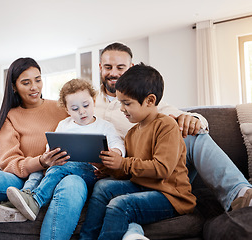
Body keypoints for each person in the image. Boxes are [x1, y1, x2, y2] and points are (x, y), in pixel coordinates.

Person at [91, 42, 252, 236]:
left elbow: (193, 122)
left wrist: (191, 119)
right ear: (100, 67)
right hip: (123, 167)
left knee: (192, 135)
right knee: (116, 199)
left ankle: (239, 193)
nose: (114, 73)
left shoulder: (151, 109)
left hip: (156, 165)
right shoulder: (86, 101)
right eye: (108, 67)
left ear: (130, 69)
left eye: (120, 67)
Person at [0, 57, 88, 240]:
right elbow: (9, 162)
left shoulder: (64, 108)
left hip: (61, 177)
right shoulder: (10, 117)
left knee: (74, 182)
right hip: (23, 180)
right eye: (26, 83)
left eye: (38, 79)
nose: (34, 87)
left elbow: (88, 129)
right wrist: (40, 161)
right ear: (14, 87)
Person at [80, 63, 196, 240]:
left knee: (120, 205)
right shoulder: (132, 133)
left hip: (170, 196)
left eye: (127, 103)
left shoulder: (167, 126)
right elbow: (127, 173)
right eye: (120, 102)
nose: (122, 109)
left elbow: (162, 169)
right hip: (142, 186)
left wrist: (123, 163)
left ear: (150, 101)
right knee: (103, 187)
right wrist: (107, 166)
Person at [6, 79, 125, 221]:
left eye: (86, 105)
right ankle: (24, 196)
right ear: (67, 110)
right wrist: (50, 154)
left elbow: (118, 145)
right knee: (38, 169)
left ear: (94, 100)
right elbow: (52, 146)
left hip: (92, 173)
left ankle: (36, 200)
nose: (82, 111)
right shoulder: (64, 124)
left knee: (58, 169)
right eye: (74, 109)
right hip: (63, 168)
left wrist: (115, 152)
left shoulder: (105, 126)